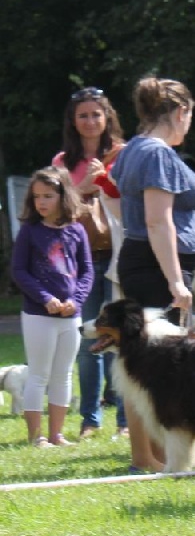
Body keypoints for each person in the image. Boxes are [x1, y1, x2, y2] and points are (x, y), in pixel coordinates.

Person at [111, 77, 195, 473]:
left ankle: (148, 456)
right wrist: (176, 282)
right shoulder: (156, 154)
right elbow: (158, 221)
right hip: (155, 267)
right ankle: (152, 457)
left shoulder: (134, 148)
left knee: (143, 364)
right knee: (156, 366)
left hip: (142, 260)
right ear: (180, 111)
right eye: (189, 116)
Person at [52, 86, 127, 439]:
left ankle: (127, 422)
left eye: (96, 114)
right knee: (88, 342)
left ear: (107, 116)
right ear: (73, 120)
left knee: (124, 338)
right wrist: (83, 184)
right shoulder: (61, 163)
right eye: (83, 115)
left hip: (121, 254)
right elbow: (55, 208)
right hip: (80, 259)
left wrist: (107, 179)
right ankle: (90, 419)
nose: (90, 121)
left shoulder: (125, 154)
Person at [11, 166, 93, 447]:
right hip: (38, 315)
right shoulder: (29, 231)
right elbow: (19, 271)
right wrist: (46, 298)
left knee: (64, 374)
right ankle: (37, 436)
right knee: (39, 374)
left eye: (48, 195)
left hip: (71, 316)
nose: (41, 202)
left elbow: (87, 272)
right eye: (36, 197)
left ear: (63, 195)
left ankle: (57, 434)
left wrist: (76, 301)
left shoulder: (77, 230)